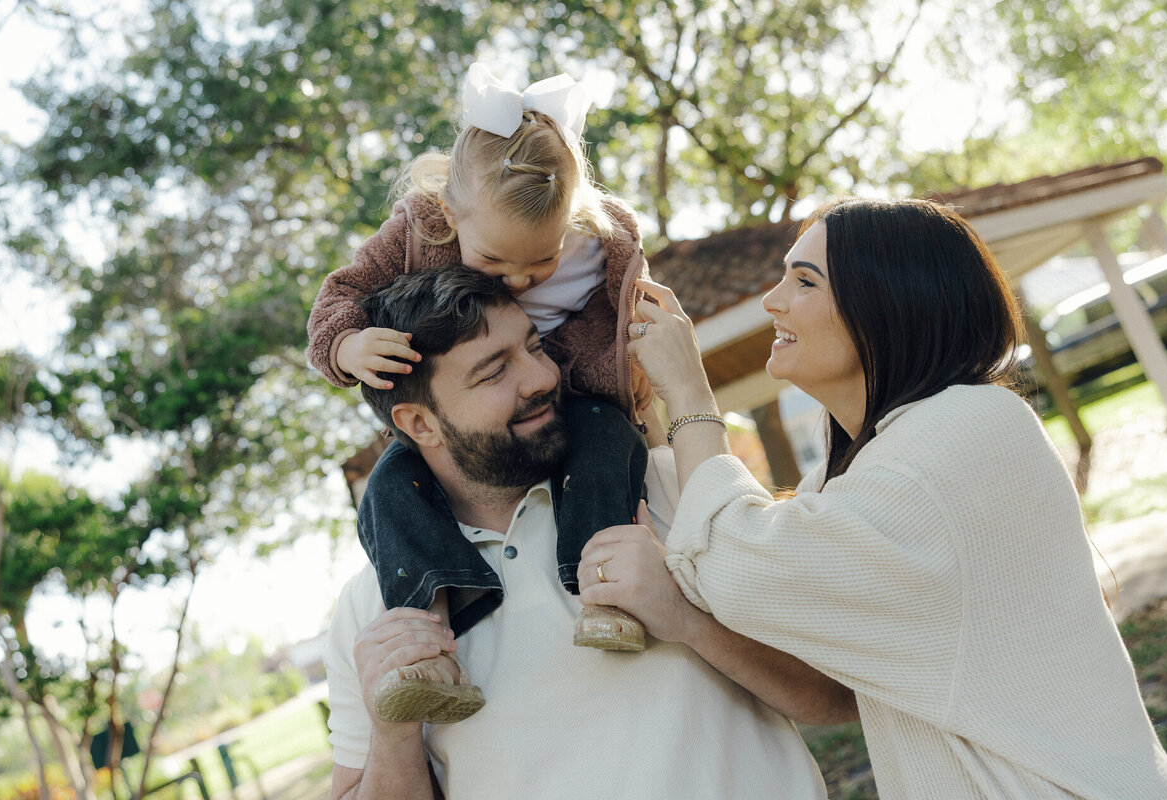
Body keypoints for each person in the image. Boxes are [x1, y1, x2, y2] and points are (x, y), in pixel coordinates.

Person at [592, 197, 1167, 799]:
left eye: (804, 281)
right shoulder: (862, 473)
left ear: (887, 303)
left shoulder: (970, 428)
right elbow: (828, 690)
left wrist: (689, 391)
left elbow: (737, 562)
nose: (774, 300)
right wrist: (687, 621)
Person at [324, 266, 856, 799]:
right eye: (493, 373)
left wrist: (687, 619)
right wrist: (391, 733)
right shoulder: (372, 610)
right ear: (419, 424)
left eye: (534, 347)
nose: (542, 378)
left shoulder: (674, 484)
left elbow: (835, 693)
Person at [307, 64, 659, 722]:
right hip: (466, 422)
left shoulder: (601, 242)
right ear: (451, 211)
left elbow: (631, 325)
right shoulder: (421, 223)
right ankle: (427, 637)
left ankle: (606, 592)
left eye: (540, 262)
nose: (520, 281)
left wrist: (642, 381)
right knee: (390, 489)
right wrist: (346, 347)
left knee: (608, 446)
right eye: (496, 264)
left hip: (572, 401)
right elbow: (341, 293)